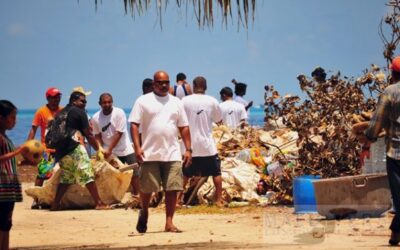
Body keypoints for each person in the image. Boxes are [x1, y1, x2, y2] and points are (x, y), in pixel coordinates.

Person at [129, 70, 192, 233]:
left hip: (172, 153)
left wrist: (188, 149)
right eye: (160, 82)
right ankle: (144, 210)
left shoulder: (176, 102)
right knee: (148, 188)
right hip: (149, 153)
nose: (164, 85)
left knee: (172, 188)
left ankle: (169, 223)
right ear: (154, 84)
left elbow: (184, 126)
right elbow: (134, 125)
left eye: (166, 82)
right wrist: (137, 147)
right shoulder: (143, 101)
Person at [50, 91, 109, 211]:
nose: (85, 103)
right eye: (82, 101)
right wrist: (99, 149)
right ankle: (99, 203)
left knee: (66, 177)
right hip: (74, 147)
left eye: (85, 101)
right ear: (73, 101)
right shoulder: (79, 112)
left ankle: (55, 204)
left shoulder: (60, 113)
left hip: (61, 151)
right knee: (87, 174)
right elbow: (88, 134)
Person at [364, 55, 400, 246]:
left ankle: (395, 233)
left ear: (393, 74)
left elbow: (377, 120)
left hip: (396, 153)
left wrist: (368, 141)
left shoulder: (389, 92)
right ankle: (395, 234)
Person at [180, 76, 224, 207]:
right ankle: (219, 200)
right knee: (216, 173)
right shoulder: (212, 101)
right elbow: (219, 120)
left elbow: (179, 120)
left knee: (185, 174)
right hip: (207, 145)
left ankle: (177, 199)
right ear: (206, 87)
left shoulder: (184, 101)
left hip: (189, 146)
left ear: (193, 86)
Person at [91, 93, 139, 195]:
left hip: (125, 149)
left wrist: (109, 149)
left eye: (109, 102)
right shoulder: (95, 118)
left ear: (112, 102)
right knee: (112, 176)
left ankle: (137, 195)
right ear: (100, 103)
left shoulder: (119, 113)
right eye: (104, 102)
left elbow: (119, 133)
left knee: (134, 174)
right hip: (110, 153)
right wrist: (100, 149)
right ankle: (114, 197)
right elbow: (97, 135)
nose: (107, 104)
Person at [27, 87, 62, 209]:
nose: (56, 99)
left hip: (61, 149)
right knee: (42, 175)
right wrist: (28, 147)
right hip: (46, 150)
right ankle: (35, 200)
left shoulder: (63, 110)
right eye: (53, 97)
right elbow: (33, 130)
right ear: (48, 98)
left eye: (58, 97)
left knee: (61, 175)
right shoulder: (41, 111)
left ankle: (55, 200)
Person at [0, 100, 28, 250]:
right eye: (12, 118)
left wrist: (23, 162)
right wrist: (17, 152)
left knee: (6, 223)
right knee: (2, 222)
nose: (15, 122)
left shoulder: (6, 137)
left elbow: (7, 160)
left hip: (9, 188)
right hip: (2, 188)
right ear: (1, 118)